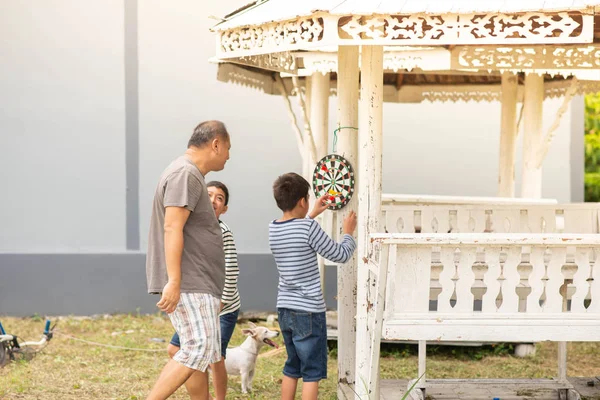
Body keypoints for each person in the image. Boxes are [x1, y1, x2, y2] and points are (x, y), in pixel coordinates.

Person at [145, 121, 231, 400]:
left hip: (197, 281)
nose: (228, 156)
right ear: (215, 144)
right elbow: (172, 227)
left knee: (201, 350)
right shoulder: (185, 173)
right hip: (190, 281)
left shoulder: (189, 174)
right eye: (228, 148)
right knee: (197, 348)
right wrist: (175, 281)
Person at [269, 172, 357, 400]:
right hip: (308, 311)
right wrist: (348, 233)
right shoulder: (308, 229)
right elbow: (340, 254)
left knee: (292, 367)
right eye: (308, 197)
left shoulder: (274, 229)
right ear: (302, 201)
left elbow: (297, 230)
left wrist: (312, 213)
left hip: (285, 309)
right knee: (311, 373)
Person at [167, 181, 240, 400]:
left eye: (220, 198)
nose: (213, 200)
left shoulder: (223, 232)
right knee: (176, 349)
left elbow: (231, 270)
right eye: (208, 195)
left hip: (223, 307)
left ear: (224, 208)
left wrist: (222, 303)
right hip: (199, 304)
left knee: (215, 358)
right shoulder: (191, 227)